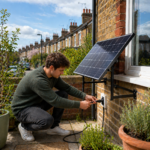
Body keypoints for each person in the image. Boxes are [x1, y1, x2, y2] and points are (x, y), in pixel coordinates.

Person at [11, 52, 97, 142]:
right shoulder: (38, 79)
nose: (62, 73)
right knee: (47, 121)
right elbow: (56, 101)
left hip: (36, 104)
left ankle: (54, 127)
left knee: (63, 93)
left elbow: (67, 88)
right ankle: (24, 126)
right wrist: (79, 104)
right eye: (61, 70)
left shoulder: (52, 76)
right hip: (22, 109)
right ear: (51, 67)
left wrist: (85, 96)